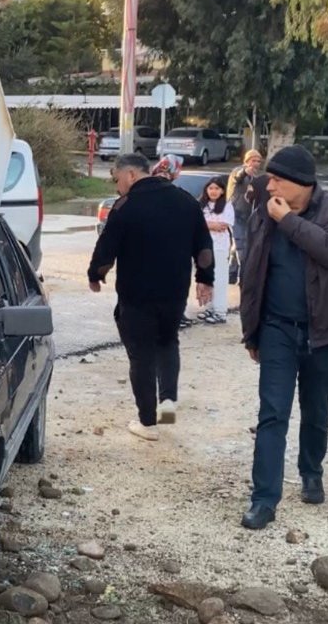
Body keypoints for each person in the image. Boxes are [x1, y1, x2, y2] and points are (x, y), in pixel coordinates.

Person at [238, 146, 328, 530]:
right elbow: (253, 272)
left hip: (325, 330)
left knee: (316, 406)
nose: (269, 183)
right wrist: (252, 331)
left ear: (302, 184)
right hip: (277, 327)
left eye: (276, 178)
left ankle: (311, 471)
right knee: (272, 412)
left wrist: (288, 221)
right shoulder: (266, 210)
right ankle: (264, 499)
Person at [88, 153, 214, 441]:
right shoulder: (185, 201)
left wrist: (96, 274)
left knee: (141, 355)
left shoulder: (126, 206)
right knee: (168, 343)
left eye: (117, 179)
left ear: (131, 174)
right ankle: (167, 407)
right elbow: (203, 246)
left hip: (137, 295)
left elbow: (107, 246)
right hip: (174, 293)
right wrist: (205, 280)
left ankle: (148, 423)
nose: (117, 186)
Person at [198, 176, 234, 325]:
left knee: (219, 279)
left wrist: (206, 224)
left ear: (222, 190)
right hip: (203, 247)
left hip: (219, 247)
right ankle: (210, 308)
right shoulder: (201, 205)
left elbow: (223, 225)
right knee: (207, 279)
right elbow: (196, 223)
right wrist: (210, 224)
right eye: (211, 188)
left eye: (217, 188)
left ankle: (220, 312)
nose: (213, 191)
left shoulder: (227, 205)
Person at [228, 150, 264, 283]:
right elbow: (238, 177)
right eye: (253, 160)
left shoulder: (256, 176)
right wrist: (244, 172)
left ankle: (231, 274)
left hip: (248, 214)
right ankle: (243, 276)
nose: (256, 163)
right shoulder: (237, 171)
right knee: (241, 244)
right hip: (235, 213)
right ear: (247, 161)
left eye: (258, 161)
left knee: (237, 244)